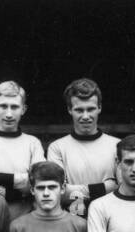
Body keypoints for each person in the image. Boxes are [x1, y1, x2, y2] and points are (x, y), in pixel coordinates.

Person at [46, 78, 118, 217]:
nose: (85, 116)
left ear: (99, 108)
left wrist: (75, 190)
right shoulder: (57, 148)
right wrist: (105, 187)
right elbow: (58, 192)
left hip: (110, 217)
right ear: (69, 110)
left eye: (90, 109)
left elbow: (123, 188)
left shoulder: (116, 145)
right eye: (79, 110)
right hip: (74, 216)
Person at [0, 81, 46, 221]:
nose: (8, 114)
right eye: (3, 106)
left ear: (23, 109)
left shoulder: (33, 143)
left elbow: (39, 181)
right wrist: (17, 194)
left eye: (14, 107)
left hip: (24, 222)